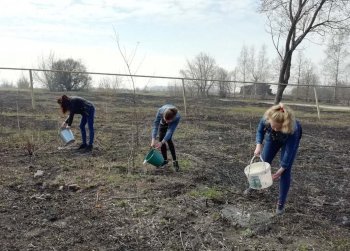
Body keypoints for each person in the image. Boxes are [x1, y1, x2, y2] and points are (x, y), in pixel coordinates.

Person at [245, 103, 302, 215]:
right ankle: (255, 185)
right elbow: (260, 131)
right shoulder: (267, 118)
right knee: (264, 162)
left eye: (277, 127)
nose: (274, 128)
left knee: (285, 172)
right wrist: (258, 145)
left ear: (284, 125)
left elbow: (289, 152)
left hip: (288, 140)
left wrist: (281, 170)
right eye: (272, 125)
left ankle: (281, 204)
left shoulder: (293, 129)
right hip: (272, 138)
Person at [151, 104, 181, 171]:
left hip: (172, 123)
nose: (167, 122)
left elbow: (170, 131)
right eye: (166, 120)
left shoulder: (177, 117)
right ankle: (165, 160)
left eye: (168, 121)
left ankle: (175, 161)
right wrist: (153, 139)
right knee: (161, 139)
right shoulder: (160, 111)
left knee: (168, 139)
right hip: (162, 122)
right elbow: (155, 126)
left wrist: (162, 142)